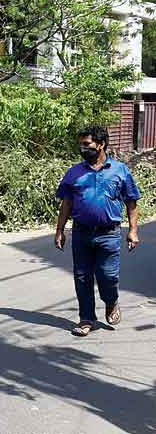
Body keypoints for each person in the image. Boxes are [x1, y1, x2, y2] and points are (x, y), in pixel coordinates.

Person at [55, 126, 141, 337]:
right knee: (82, 277)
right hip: (81, 233)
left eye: (87, 144)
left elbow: (131, 202)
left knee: (107, 276)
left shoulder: (120, 170)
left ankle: (111, 302)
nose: (82, 148)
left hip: (109, 234)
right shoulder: (74, 172)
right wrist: (60, 230)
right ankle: (86, 318)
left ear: (101, 144)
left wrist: (133, 230)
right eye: (81, 144)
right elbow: (66, 203)